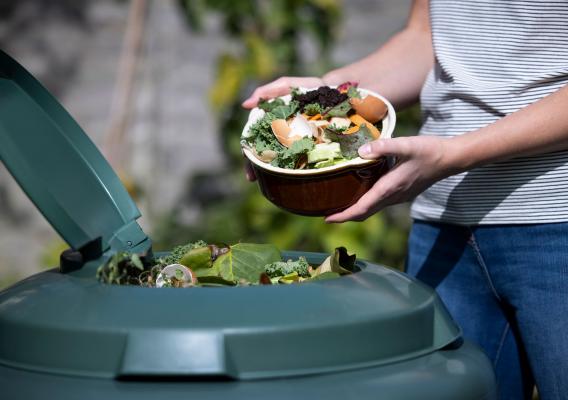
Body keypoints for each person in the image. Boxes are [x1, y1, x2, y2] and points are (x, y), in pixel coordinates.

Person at [241, 1, 568, 399]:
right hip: (445, 228)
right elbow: (427, 38)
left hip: (555, 224)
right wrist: (323, 95)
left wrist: (455, 153)